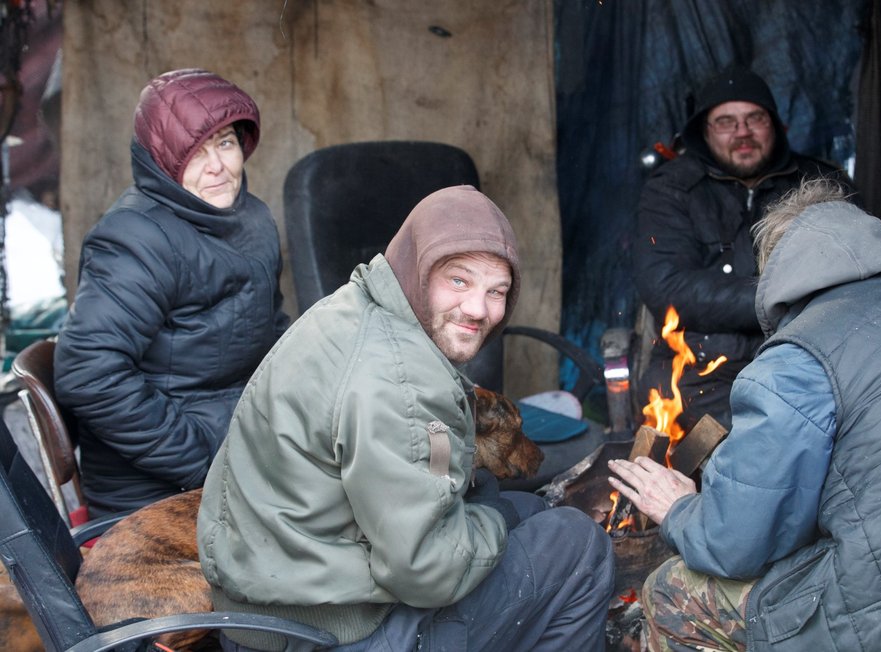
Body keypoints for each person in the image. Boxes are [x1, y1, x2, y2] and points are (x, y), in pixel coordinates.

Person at [197, 185, 615, 652]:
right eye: (459, 281)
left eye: (496, 291)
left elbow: (420, 470)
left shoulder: (355, 308)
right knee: (580, 545)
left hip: (268, 604)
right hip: (328, 632)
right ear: (419, 268)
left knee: (531, 510)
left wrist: (490, 511)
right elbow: (426, 569)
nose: (479, 310)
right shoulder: (401, 382)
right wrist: (492, 517)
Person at [609, 178, 881, 651]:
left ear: (779, 269)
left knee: (671, 590)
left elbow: (735, 545)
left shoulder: (800, 357)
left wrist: (680, 509)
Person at [54, 69, 290, 516]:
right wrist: (202, 461)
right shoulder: (135, 239)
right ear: (163, 164)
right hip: (160, 491)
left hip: (244, 450)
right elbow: (88, 372)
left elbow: (274, 333)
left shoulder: (252, 218)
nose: (217, 166)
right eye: (194, 154)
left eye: (224, 143)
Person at [631, 65, 853, 431]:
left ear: (776, 125)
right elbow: (667, 288)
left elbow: (848, 279)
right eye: (726, 122)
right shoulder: (671, 188)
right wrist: (783, 296)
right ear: (704, 131)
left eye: (755, 118)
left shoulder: (820, 182)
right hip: (700, 371)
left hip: (805, 359)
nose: (742, 133)